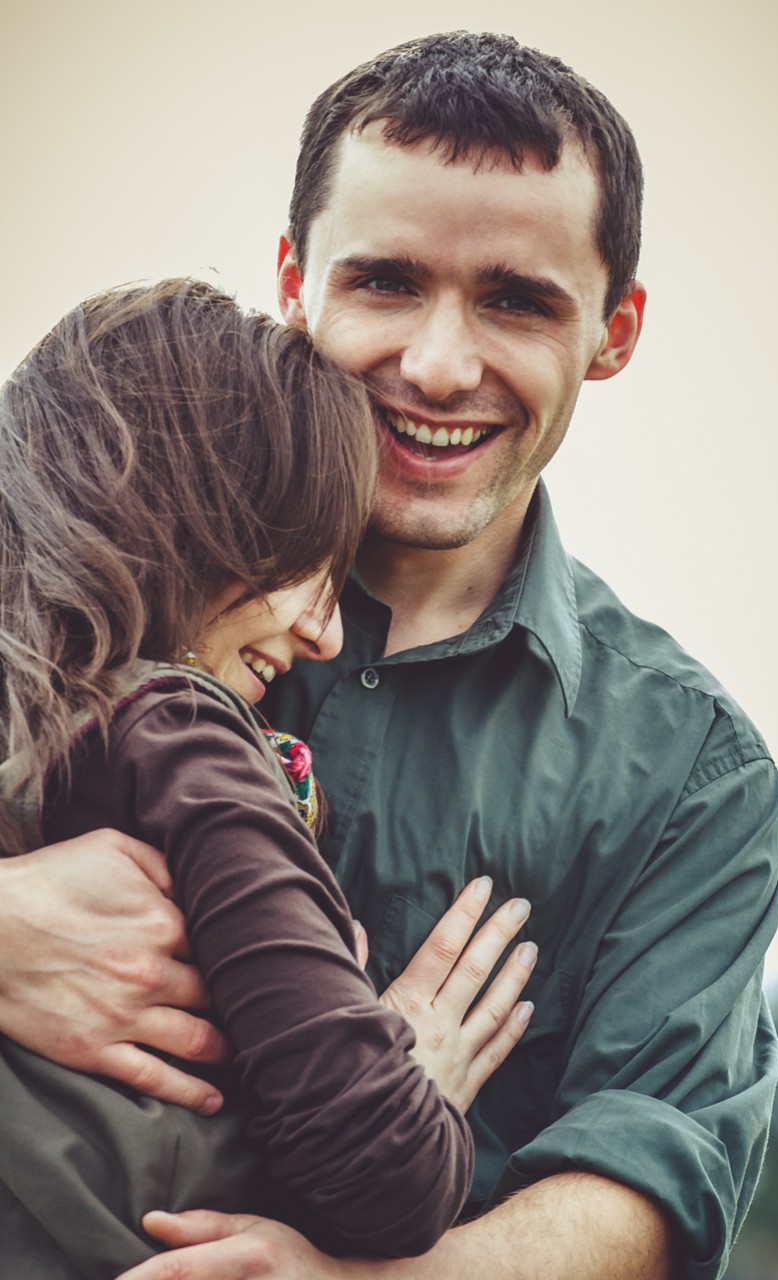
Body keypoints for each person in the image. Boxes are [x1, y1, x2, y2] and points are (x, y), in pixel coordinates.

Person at [0, 31, 778, 1280]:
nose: (435, 363)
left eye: (515, 299)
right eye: (384, 281)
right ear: (293, 280)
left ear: (613, 330)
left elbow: (656, 1168)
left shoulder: (692, 767)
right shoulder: (71, 546)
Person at [0, 278, 535, 1277]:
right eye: (311, 566)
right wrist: (408, 1062)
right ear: (196, 516)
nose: (326, 632)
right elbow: (383, 1171)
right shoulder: (181, 731)